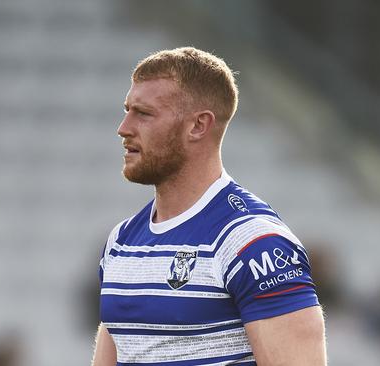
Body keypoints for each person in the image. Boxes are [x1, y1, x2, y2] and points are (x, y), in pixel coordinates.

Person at [92, 47, 327, 365]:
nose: (124, 128)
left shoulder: (254, 243)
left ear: (198, 126)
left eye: (143, 113)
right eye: (127, 110)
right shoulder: (121, 242)